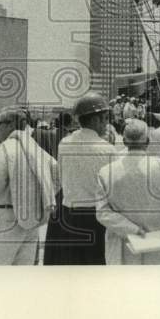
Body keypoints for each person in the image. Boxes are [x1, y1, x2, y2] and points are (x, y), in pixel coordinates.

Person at [95, 119, 160, 265]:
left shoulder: (106, 172)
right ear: (148, 141)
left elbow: (102, 213)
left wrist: (133, 230)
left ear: (124, 142)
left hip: (124, 247)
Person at [44, 91, 117, 265]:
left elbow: (60, 175)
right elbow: (112, 187)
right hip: (95, 216)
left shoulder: (65, 143)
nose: (106, 124)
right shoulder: (107, 149)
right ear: (96, 120)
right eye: (105, 118)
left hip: (68, 214)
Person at [0, 108, 58, 265]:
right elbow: (57, 173)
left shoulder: (6, 147)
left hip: (7, 216)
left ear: (10, 125)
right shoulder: (35, 148)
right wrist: (39, 195)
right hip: (31, 220)